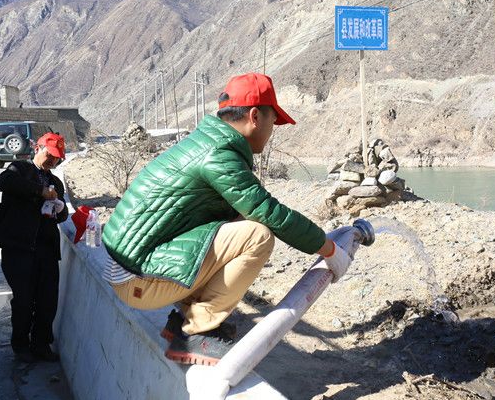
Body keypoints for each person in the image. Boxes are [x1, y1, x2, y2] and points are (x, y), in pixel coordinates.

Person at [102, 72, 351, 366]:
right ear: (255, 117)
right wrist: (329, 250)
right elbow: (267, 211)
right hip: (136, 278)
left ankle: (184, 319)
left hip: (129, 268)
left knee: (237, 220)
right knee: (257, 236)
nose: (272, 130)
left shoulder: (207, 143)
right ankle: (196, 332)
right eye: (273, 122)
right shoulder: (219, 154)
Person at [0, 132, 68, 362]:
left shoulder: (56, 183)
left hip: (46, 250)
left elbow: (63, 215)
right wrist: (39, 191)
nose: (52, 161)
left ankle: (41, 344)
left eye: (56, 158)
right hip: (19, 249)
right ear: (38, 149)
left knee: (47, 301)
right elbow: (4, 182)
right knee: (24, 300)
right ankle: (21, 345)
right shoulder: (19, 170)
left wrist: (59, 208)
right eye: (49, 155)